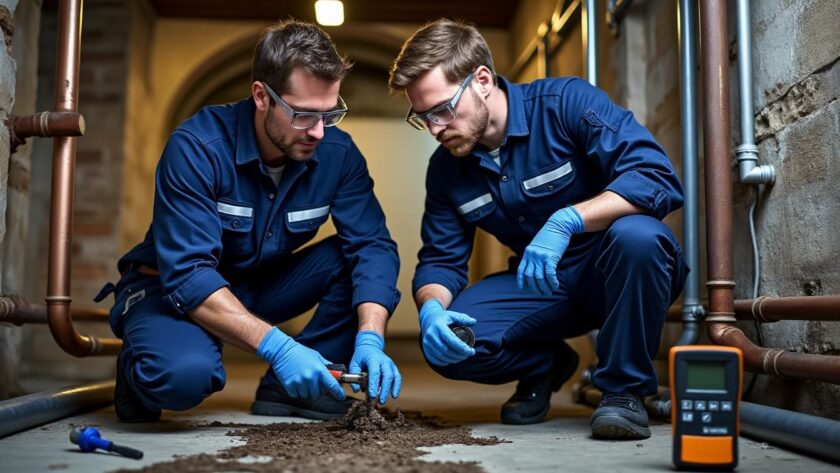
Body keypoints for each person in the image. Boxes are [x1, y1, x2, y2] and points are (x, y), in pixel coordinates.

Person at [389, 19, 687, 439]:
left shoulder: (565, 104)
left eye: (443, 109)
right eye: (423, 118)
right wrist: (432, 310)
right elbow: (441, 259)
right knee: (451, 343)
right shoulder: (446, 170)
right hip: (541, 284)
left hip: (617, 272)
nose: (436, 128)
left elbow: (656, 177)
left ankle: (624, 392)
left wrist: (569, 219)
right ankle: (546, 364)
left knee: (639, 237)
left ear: (482, 80)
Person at [95, 20, 402, 423]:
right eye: (304, 115)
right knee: (181, 378)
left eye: (330, 114)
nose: (319, 132)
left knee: (358, 262)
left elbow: (373, 246)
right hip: (170, 290)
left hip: (260, 284)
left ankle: (289, 392)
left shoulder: (338, 154)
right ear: (261, 96)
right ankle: (143, 362)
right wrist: (280, 347)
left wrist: (371, 336)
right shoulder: (197, 148)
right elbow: (188, 275)